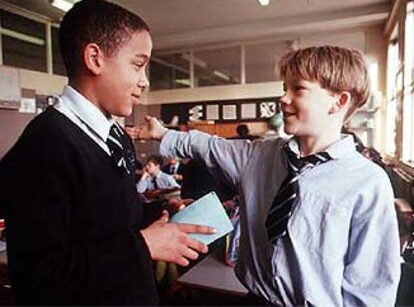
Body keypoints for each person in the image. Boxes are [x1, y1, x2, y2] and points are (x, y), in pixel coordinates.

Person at [138, 46, 401, 306]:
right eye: (284, 88)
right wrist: (163, 134)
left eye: (298, 88)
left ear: (339, 101)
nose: (283, 98)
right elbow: (208, 146)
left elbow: (372, 286)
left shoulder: (368, 182)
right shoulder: (258, 156)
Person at [0, 0, 214, 305]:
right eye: (138, 65)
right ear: (94, 58)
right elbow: (39, 278)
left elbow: (104, 220)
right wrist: (143, 245)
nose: (145, 80)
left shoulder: (115, 136)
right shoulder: (45, 147)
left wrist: (159, 215)